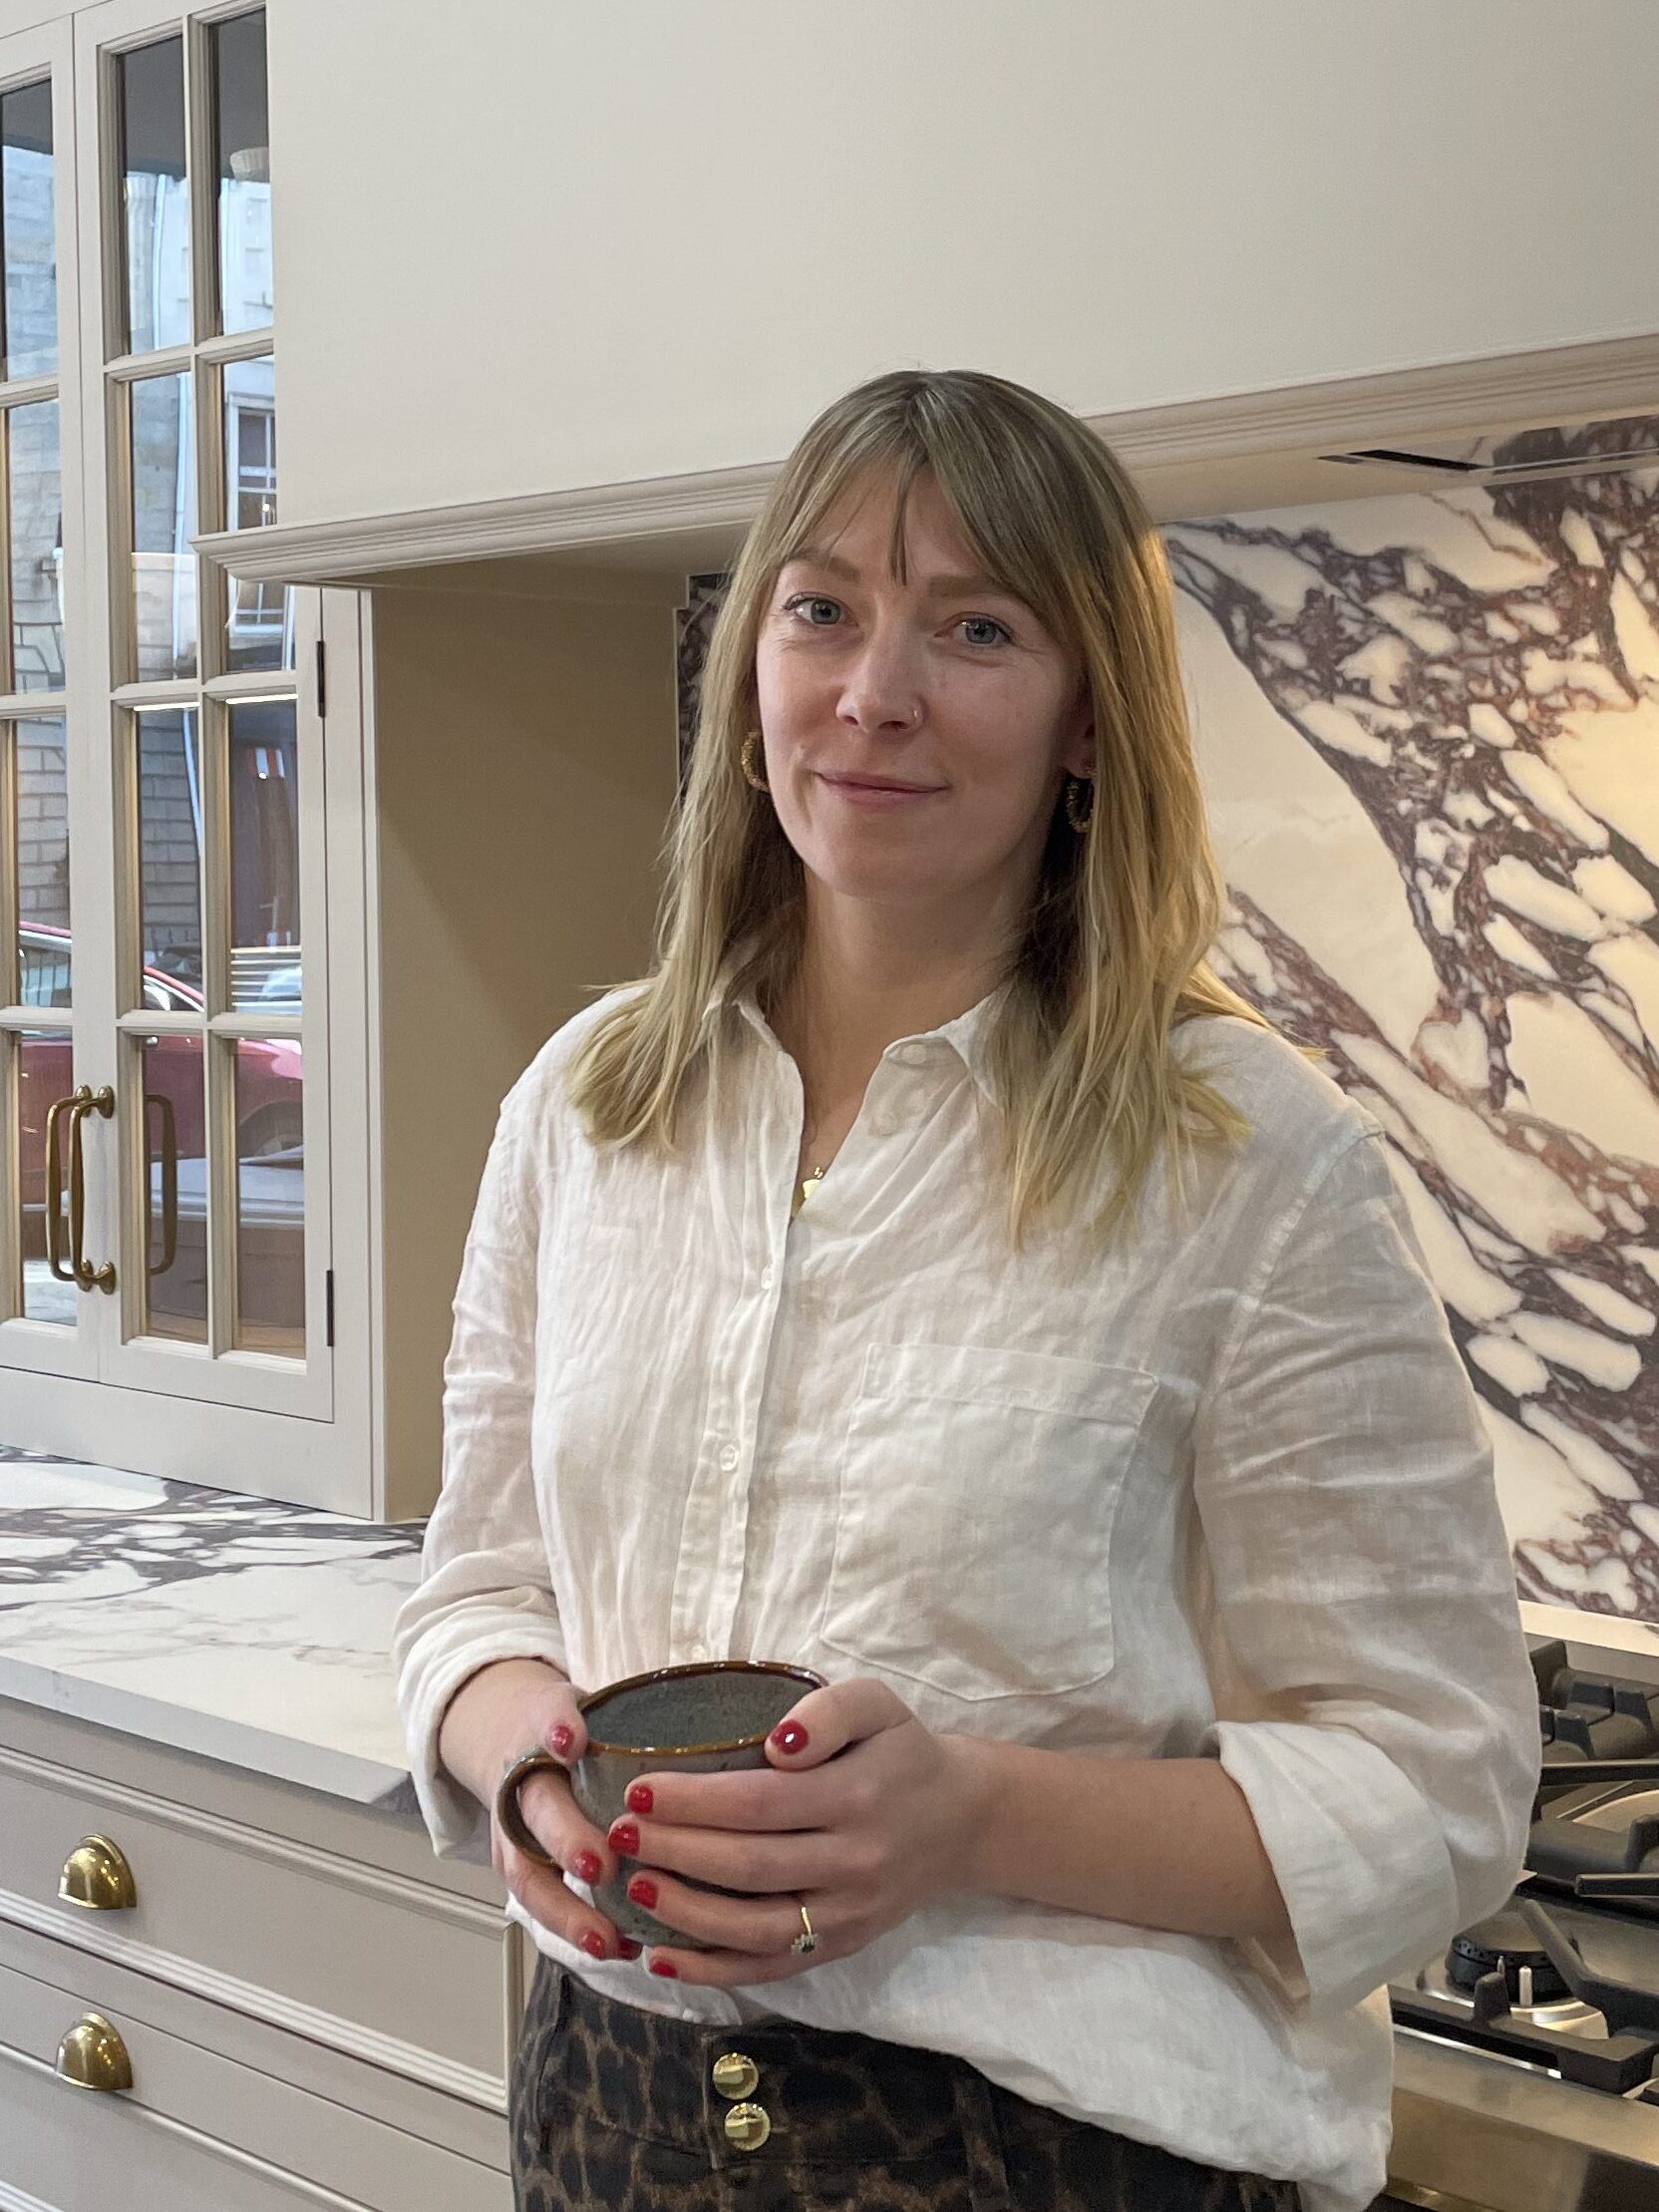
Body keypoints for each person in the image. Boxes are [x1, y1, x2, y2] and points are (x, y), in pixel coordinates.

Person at [393, 367, 1542, 2212]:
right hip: (612, 2111)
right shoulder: (590, 1106)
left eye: (976, 628)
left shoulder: (1247, 1154)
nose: (874, 693)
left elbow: (1441, 1787)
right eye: (822, 610)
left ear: (1089, 719)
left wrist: (969, 1818)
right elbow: (478, 1589)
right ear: (750, 672)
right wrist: (531, 1764)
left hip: (1054, 2154)